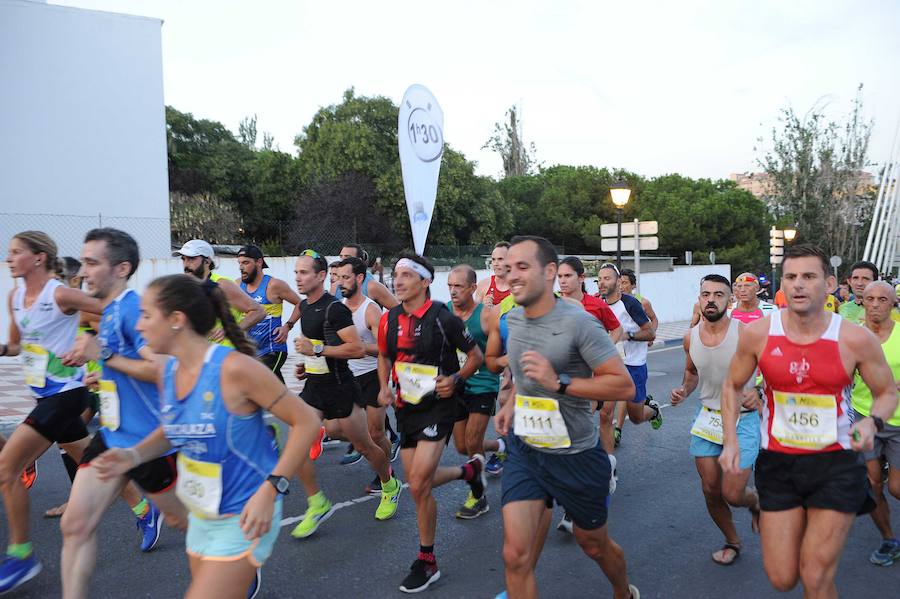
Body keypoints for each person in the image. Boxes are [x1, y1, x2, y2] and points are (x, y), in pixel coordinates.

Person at [91, 273, 319, 599]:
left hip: (245, 513)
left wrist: (272, 489)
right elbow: (175, 429)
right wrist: (133, 455)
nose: (138, 326)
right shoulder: (170, 370)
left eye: (145, 316)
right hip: (202, 514)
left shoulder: (234, 369)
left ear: (176, 320)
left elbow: (307, 421)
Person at [720, 244, 898, 597]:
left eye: (809, 276)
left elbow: (887, 392)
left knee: (815, 575)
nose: (799, 284)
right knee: (783, 578)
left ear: (829, 284)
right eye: (791, 277)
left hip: (835, 464)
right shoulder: (759, 334)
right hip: (778, 464)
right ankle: (761, 508)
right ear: (782, 284)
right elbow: (731, 384)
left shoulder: (854, 338)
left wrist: (872, 422)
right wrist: (731, 439)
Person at [495, 236, 639, 599]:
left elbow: (622, 386)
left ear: (549, 273)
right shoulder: (512, 318)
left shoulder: (579, 322)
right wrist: (511, 403)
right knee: (515, 555)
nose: (511, 275)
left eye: (522, 267)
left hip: (575, 454)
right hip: (525, 450)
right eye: (508, 267)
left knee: (593, 544)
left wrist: (558, 383)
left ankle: (624, 592)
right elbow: (521, 375)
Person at [58, 228, 187, 598]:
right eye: (83, 262)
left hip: (150, 443)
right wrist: (101, 372)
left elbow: (163, 370)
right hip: (112, 436)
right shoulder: (109, 312)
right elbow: (121, 365)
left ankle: (236, 568)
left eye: (92, 263)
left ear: (121, 268)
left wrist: (106, 357)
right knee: (75, 525)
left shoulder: (134, 311)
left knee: (185, 522)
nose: (83, 272)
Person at [0, 231, 105, 593]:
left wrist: (94, 349)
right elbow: (16, 346)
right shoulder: (15, 297)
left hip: (69, 393)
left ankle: (21, 554)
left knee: (6, 466)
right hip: (45, 398)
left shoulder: (58, 293)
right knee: (93, 458)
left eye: (16, 252)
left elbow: (110, 311)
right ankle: (146, 509)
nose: (9, 258)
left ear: (39, 257)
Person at [377, 252, 486, 593]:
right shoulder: (389, 319)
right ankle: (468, 472)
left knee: (420, 481)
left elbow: (476, 357)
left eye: (407, 275)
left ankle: (427, 560)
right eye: (396, 274)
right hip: (405, 407)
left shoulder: (443, 318)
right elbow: (384, 355)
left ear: (424, 282)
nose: (398, 280)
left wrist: (454, 378)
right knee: (419, 484)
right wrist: (383, 386)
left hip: (439, 406)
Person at [289, 250, 401, 539]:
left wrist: (316, 351)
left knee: (366, 446)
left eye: (304, 273)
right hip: (315, 387)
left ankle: (389, 484)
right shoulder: (304, 307)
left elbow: (355, 348)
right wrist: (306, 365)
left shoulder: (334, 309)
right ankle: (317, 502)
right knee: (297, 442)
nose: (298, 278)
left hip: (341, 388)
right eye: (297, 273)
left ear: (321, 276)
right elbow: (319, 347)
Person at [670, 274, 761, 566]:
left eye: (719, 294)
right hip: (708, 418)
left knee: (733, 493)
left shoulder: (746, 333)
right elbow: (693, 372)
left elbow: (772, 369)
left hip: (744, 419)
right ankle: (732, 540)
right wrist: (683, 391)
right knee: (710, 489)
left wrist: (758, 391)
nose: (711, 299)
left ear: (730, 300)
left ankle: (755, 502)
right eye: (705, 294)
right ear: (699, 300)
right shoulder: (690, 337)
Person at [334, 256, 400, 494]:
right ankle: (381, 459)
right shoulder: (337, 308)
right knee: (336, 429)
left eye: (346, 278)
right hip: (347, 377)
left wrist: (359, 348)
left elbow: (386, 349)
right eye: (338, 277)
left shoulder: (371, 310)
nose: (340, 283)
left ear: (359, 278)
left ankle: (386, 473)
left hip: (373, 374)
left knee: (375, 432)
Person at [447, 264, 503, 519]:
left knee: (471, 441)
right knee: (462, 446)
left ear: (472, 287)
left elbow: (497, 354)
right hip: (457, 384)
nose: (453, 291)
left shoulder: (487, 316)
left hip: (483, 384)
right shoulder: (444, 313)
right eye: (450, 286)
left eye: (458, 286)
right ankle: (500, 446)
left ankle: (478, 496)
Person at [850, 281, 900, 566]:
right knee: (872, 484)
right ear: (863, 302)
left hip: (897, 420)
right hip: (863, 416)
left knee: (896, 488)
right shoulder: (853, 336)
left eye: (883, 299)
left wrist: (893, 385)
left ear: (893, 303)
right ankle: (889, 539)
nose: (876, 304)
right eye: (870, 298)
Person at [597, 263, 662, 447]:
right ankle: (608, 465)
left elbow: (650, 333)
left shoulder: (630, 303)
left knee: (636, 417)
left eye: (607, 278)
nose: (602, 283)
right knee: (605, 413)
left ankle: (653, 411)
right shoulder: (599, 303)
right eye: (599, 279)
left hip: (634, 365)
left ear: (618, 282)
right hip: (612, 365)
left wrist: (627, 335)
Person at [173, 240, 266, 344]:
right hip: (202, 355)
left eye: (191, 259)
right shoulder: (187, 288)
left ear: (207, 262)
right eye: (183, 259)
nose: (186, 265)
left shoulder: (222, 285)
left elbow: (258, 311)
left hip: (227, 355)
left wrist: (231, 330)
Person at [236, 245, 302, 383]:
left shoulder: (273, 285)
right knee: (274, 392)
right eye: (240, 263)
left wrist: (287, 326)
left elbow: (301, 304)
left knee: (260, 385)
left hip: (272, 349)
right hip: (252, 351)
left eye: (246, 263)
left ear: (259, 262)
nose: (241, 267)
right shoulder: (237, 285)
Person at [333, 244, 399, 309]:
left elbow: (398, 309)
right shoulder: (336, 284)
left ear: (359, 260)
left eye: (347, 257)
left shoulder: (371, 285)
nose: (342, 260)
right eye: (341, 257)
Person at [618, 269, 658, 335]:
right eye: (618, 283)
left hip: (639, 342)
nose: (620, 287)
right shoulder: (613, 302)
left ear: (633, 285)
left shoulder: (643, 302)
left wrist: (651, 334)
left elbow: (654, 319)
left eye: (624, 283)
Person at [475, 242, 512, 308]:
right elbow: (475, 316)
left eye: (500, 259)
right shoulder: (483, 286)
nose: (495, 263)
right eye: (493, 259)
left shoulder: (519, 287)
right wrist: (483, 308)